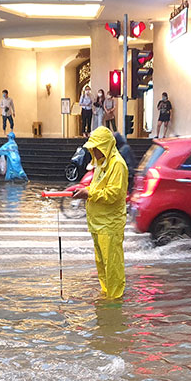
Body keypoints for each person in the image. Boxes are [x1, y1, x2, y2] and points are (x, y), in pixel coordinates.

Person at [73, 127, 128, 300]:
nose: (93, 152)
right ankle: (106, 294)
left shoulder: (117, 164)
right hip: (97, 224)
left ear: (105, 146)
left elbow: (114, 194)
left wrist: (89, 194)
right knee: (102, 264)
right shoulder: (101, 164)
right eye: (92, 148)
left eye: (96, 148)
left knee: (112, 265)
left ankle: (114, 300)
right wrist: (85, 190)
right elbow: (98, 188)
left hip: (109, 225)